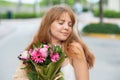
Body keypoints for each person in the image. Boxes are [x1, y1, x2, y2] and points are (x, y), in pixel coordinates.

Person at [13, 4, 95, 80]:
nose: (66, 27)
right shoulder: (36, 50)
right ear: (48, 24)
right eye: (61, 23)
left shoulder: (74, 49)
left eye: (70, 25)